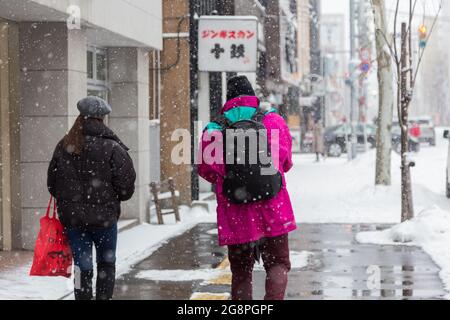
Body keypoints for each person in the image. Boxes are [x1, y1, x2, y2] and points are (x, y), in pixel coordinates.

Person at [198, 76, 297, 300]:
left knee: (241, 272)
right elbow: (286, 162)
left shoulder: (214, 128)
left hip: (236, 213)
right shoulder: (273, 121)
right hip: (274, 208)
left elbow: (206, 170)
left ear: (228, 99)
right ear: (253, 97)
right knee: (278, 264)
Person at [47, 96, 136, 300]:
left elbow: (52, 184)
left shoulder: (64, 146)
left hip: (74, 221)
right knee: (106, 264)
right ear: (102, 118)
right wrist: (110, 198)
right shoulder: (113, 148)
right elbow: (126, 188)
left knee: (81, 266)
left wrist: (71, 202)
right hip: (104, 220)